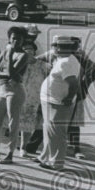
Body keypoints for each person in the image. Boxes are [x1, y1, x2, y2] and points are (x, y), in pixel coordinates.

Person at [0, 26, 29, 163]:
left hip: (15, 90)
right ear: (9, 38)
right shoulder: (4, 51)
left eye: (19, 39)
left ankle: (10, 153)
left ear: (23, 40)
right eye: (13, 38)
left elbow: (12, 72)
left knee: (12, 122)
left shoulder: (23, 55)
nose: (16, 41)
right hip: (3, 89)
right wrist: (6, 73)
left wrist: (9, 55)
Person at [37, 36, 82, 171]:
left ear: (63, 48)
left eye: (56, 46)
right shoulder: (67, 59)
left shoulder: (65, 62)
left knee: (57, 133)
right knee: (49, 131)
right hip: (51, 101)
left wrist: (68, 98)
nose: (54, 49)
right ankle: (46, 157)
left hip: (57, 102)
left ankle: (57, 162)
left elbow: (73, 83)